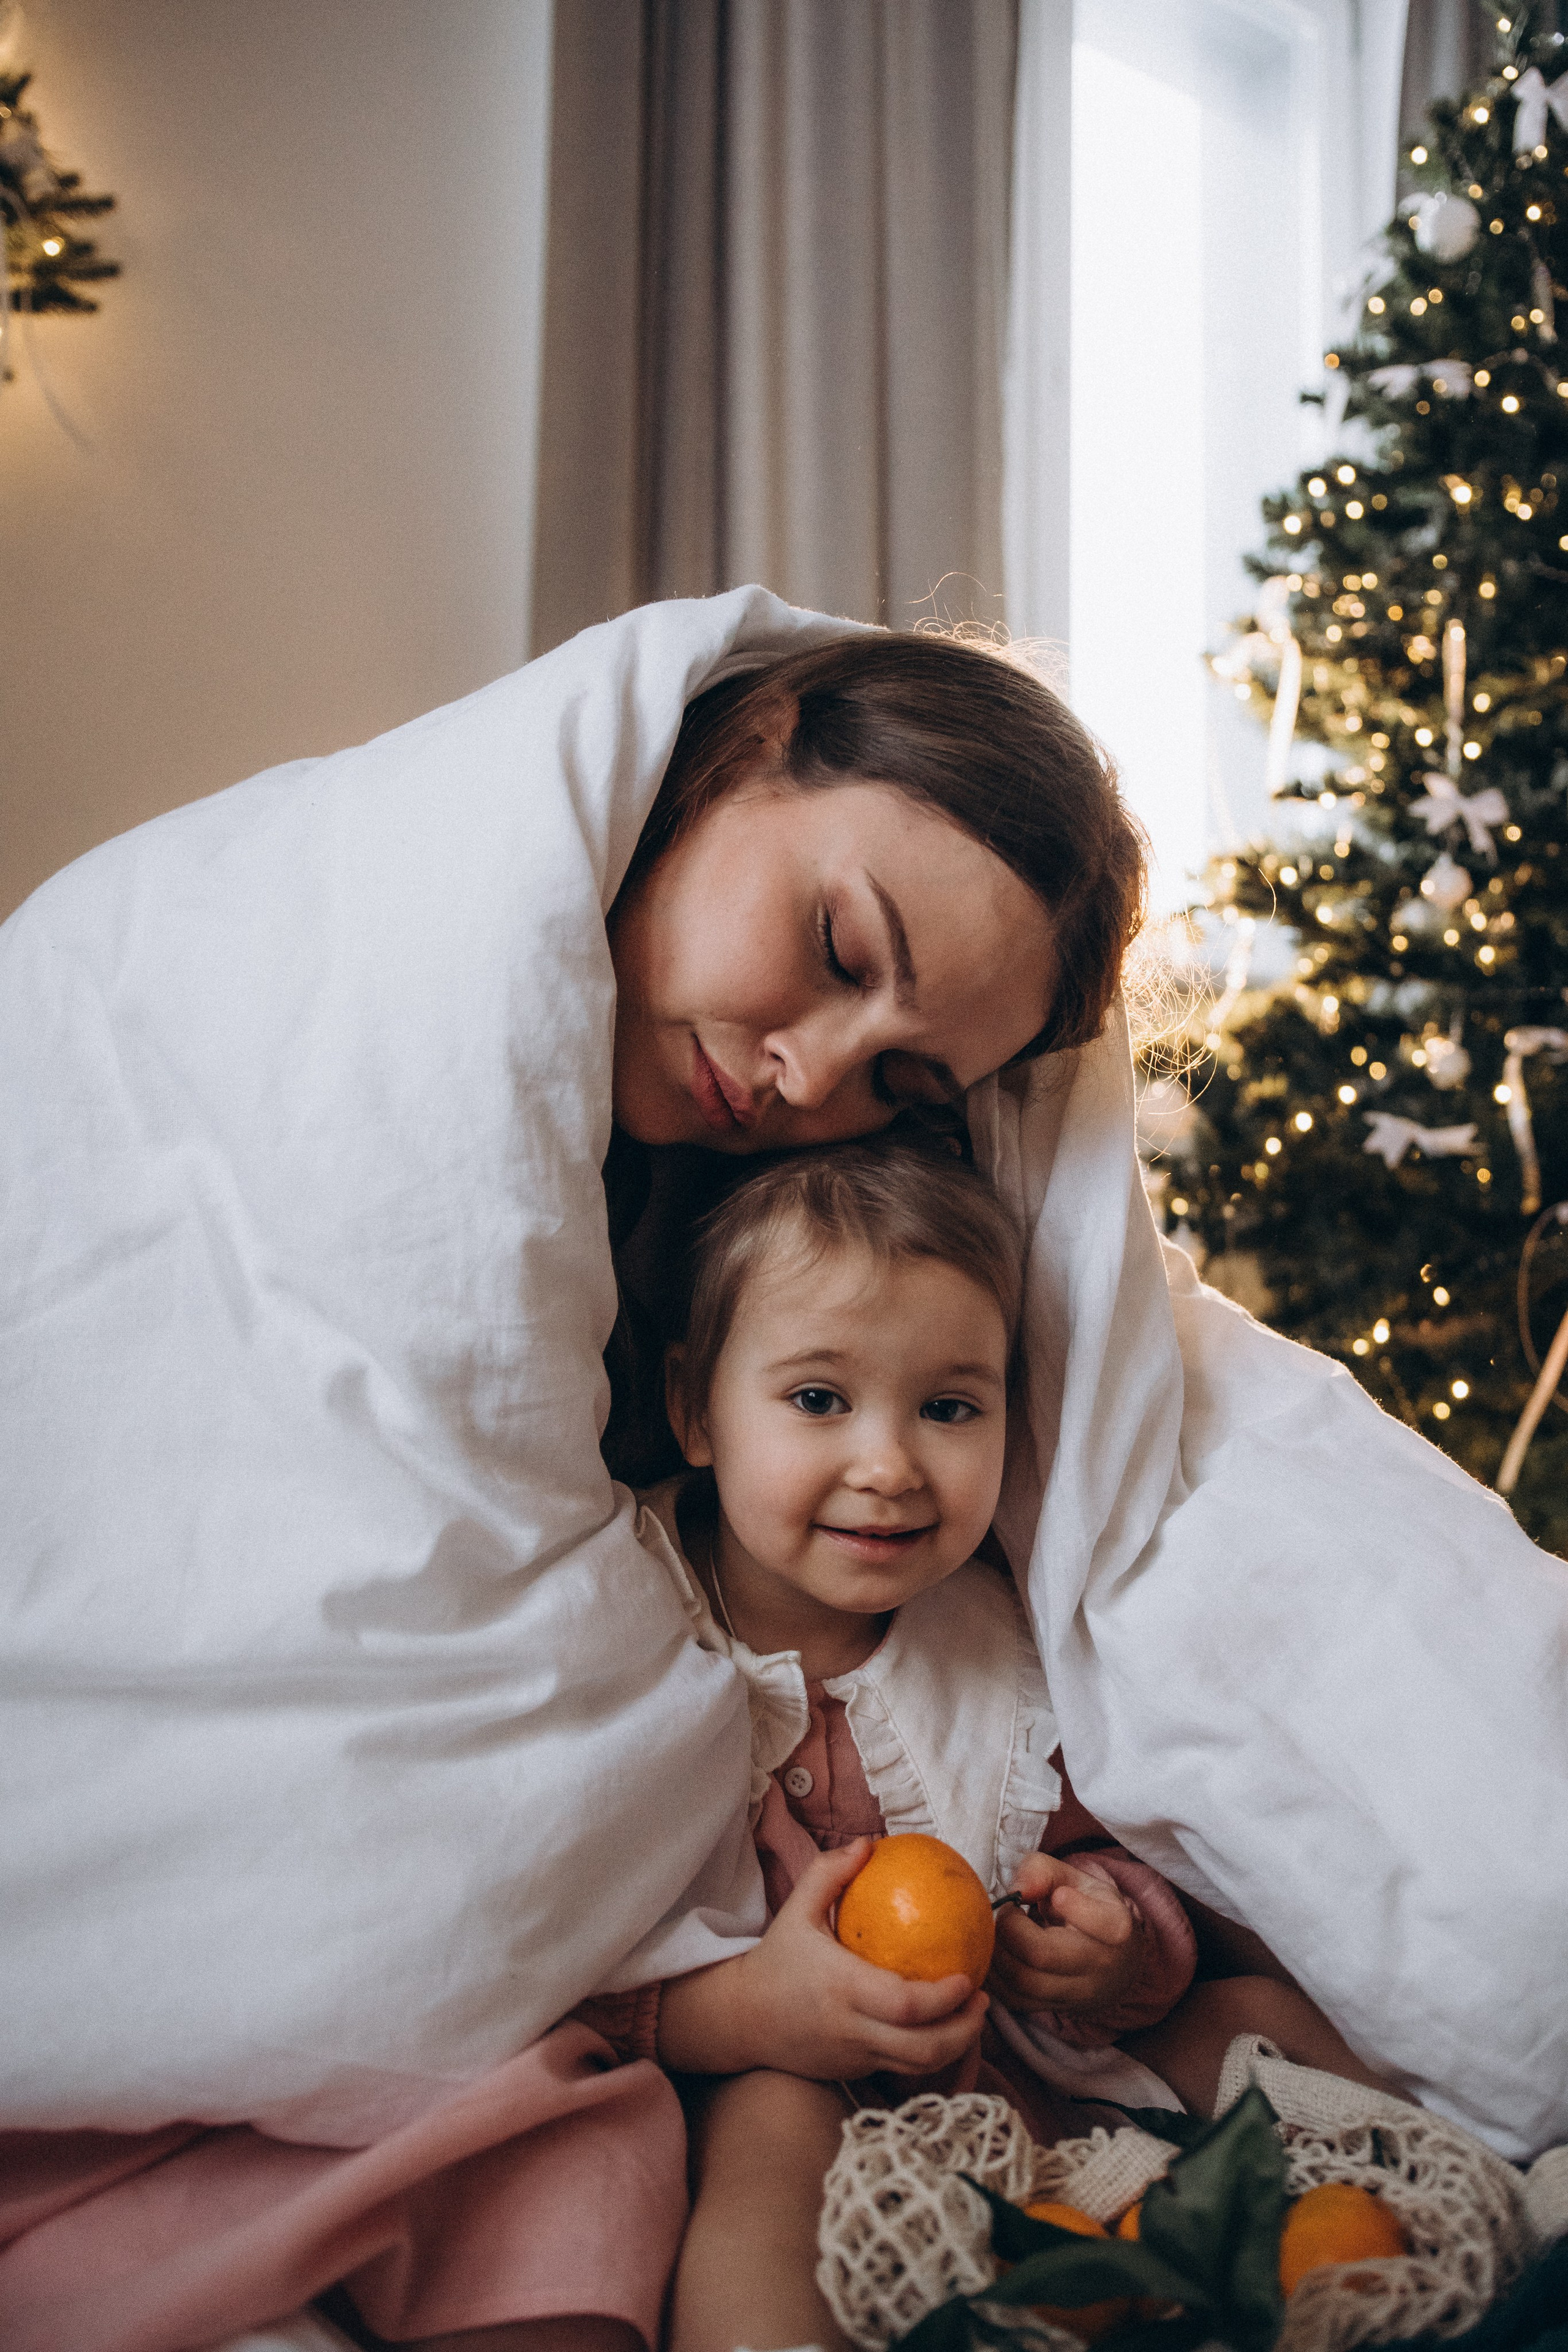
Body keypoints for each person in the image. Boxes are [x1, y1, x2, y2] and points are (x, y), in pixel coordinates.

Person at [3, 590, 1564, 2352]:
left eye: (897, 1075)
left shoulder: (792, 1252)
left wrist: (1128, 1939)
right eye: (835, 943)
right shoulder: (327, 969)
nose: (804, 1075)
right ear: (744, 747)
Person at [623, 1137, 1393, 2352]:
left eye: (947, 1408)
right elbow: (569, 1953)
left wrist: (1110, 1947)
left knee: (1260, 2015)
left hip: (1007, 2046)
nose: (887, 1465)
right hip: (763, 2059)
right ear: (692, 1410)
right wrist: (749, 2017)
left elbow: (1090, 1841)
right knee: (768, 2146)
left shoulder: (987, 1633)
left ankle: (1457, 2170)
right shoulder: (630, 1615)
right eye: (818, 1399)